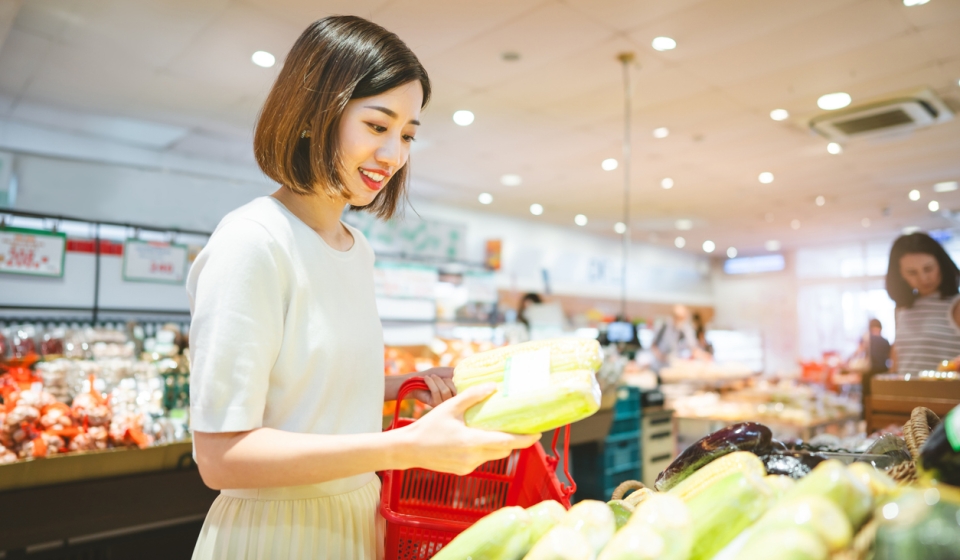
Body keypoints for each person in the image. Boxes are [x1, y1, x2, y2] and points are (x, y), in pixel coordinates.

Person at [187, 17, 539, 559]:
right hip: (276, 531)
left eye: (407, 135)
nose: (395, 155)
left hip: (358, 515)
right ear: (312, 114)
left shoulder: (356, 247)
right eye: (378, 126)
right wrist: (405, 446)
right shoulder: (253, 241)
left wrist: (410, 384)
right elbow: (220, 456)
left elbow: (312, 389)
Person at [885, 232, 960, 373]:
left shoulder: (956, 306)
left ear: (941, 265)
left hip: (945, 393)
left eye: (928, 269)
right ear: (900, 274)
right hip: (907, 393)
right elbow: (898, 363)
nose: (923, 278)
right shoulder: (903, 309)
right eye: (912, 272)